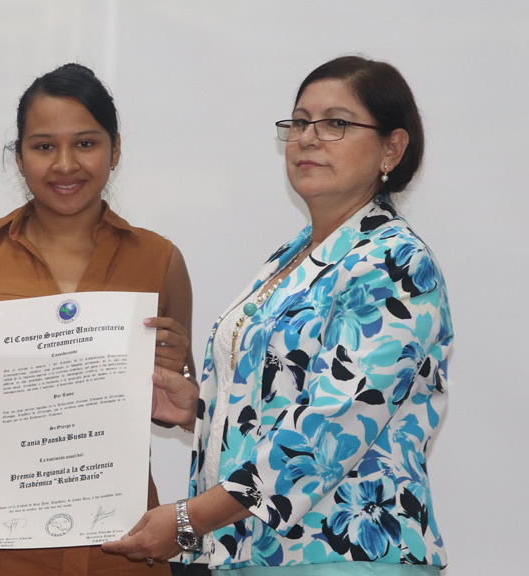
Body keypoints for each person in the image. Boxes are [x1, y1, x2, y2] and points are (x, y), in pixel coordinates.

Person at [103, 56, 452, 576]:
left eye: (336, 123)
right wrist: (199, 409)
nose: (309, 138)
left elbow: (325, 431)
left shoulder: (395, 262)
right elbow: (282, 398)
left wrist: (186, 520)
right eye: (299, 122)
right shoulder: (293, 256)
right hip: (261, 553)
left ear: (392, 148)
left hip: (343, 555)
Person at [0, 63, 198, 575]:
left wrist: (178, 376)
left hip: (123, 538)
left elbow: (176, 404)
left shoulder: (161, 260)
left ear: (115, 151)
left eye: (86, 144)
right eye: (44, 146)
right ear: (19, 157)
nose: (65, 164)